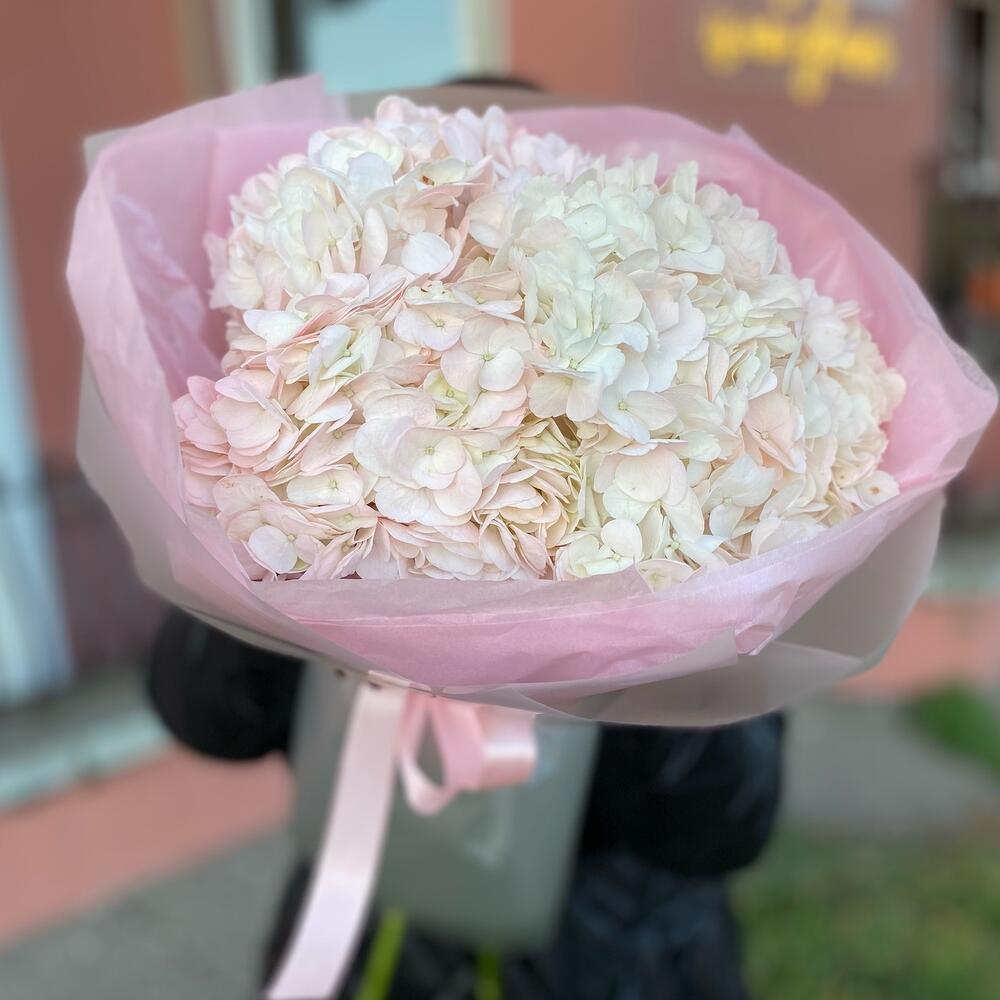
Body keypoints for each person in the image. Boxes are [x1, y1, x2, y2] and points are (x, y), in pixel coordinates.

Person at [150, 609, 784, 999]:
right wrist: (284, 574)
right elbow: (207, 713)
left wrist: (640, 634)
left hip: (615, 953)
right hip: (363, 921)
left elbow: (726, 821)